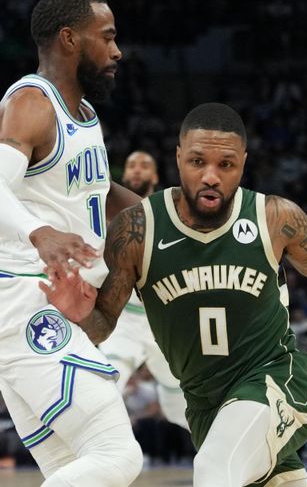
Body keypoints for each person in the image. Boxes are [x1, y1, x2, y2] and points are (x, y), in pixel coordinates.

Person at [43, 103, 307, 487]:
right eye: (198, 161)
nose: (210, 176)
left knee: (214, 470)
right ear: (178, 157)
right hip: (207, 407)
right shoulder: (137, 229)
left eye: (226, 165)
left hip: (276, 381)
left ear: (243, 164)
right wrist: (80, 314)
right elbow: (102, 326)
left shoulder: (273, 217)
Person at [0, 0, 143, 487]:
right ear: (70, 39)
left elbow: (101, 192)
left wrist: (181, 218)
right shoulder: (30, 104)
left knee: (74, 472)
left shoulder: (85, 116)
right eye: (107, 38)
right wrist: (39, 232)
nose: (117, 51)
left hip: (46, 304)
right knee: (116, 455)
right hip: (24, 297)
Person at [100, 151, 188, 429]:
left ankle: (222, 455)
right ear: (124, 176)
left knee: (180, 407)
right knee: (104, 386)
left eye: (144, 166)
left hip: (163, 319)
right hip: (122, 318)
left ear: (155, 176)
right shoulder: (100, 212)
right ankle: (100, 456)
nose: (137, 170)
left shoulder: (172, 214)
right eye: (131, 165)